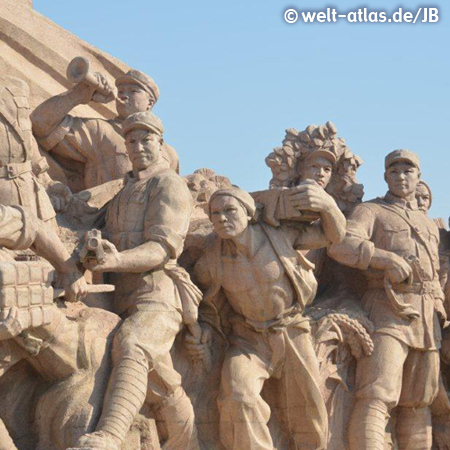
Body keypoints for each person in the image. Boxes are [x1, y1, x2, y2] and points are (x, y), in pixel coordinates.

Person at [72, 111, 199, 450]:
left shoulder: (168, 184)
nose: (138, 146)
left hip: (156, 291)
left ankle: (109, 436)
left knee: (133, 344)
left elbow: (160, 249)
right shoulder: (124, 189)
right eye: (131, 141)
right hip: (115, 292)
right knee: (162, 380)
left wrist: (116, 259)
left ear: (160, 142)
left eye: (146, 139)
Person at [188, 185, 346, 450]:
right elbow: (204, 304)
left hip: (291, 330)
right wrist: (201, 327)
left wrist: (328, 206)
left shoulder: (279, 236)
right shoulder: (212, 259)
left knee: (309, 413)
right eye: (215, 214)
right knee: (238, 396)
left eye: (229, 210)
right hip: (249, 339)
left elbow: (333, 235)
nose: (221, 218)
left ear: (249, 213)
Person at [328, 150, 445, 450]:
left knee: (419, 403)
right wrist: (384, 259)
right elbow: (341, 244)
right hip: (387, 309)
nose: (401, 177)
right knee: (378, 395)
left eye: (408, 171)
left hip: (426, 319)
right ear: (385, 177)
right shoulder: (372, 211)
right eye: (394, 171)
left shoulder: (429, 224)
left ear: (419, 178)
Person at [31, 69, 179, 191]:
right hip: (105, 219)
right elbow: (40, 124)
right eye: (121, 91)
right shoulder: (100, 130)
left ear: (150, 103)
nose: (123, 95)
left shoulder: (170, 154)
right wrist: (79, 94)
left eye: (133, 91)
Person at [0, 77, 59, 224]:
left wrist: (47, 180)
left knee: (51, 236)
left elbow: (26, 134)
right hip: (5, 196)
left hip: (32, 188)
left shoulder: (16, 85)